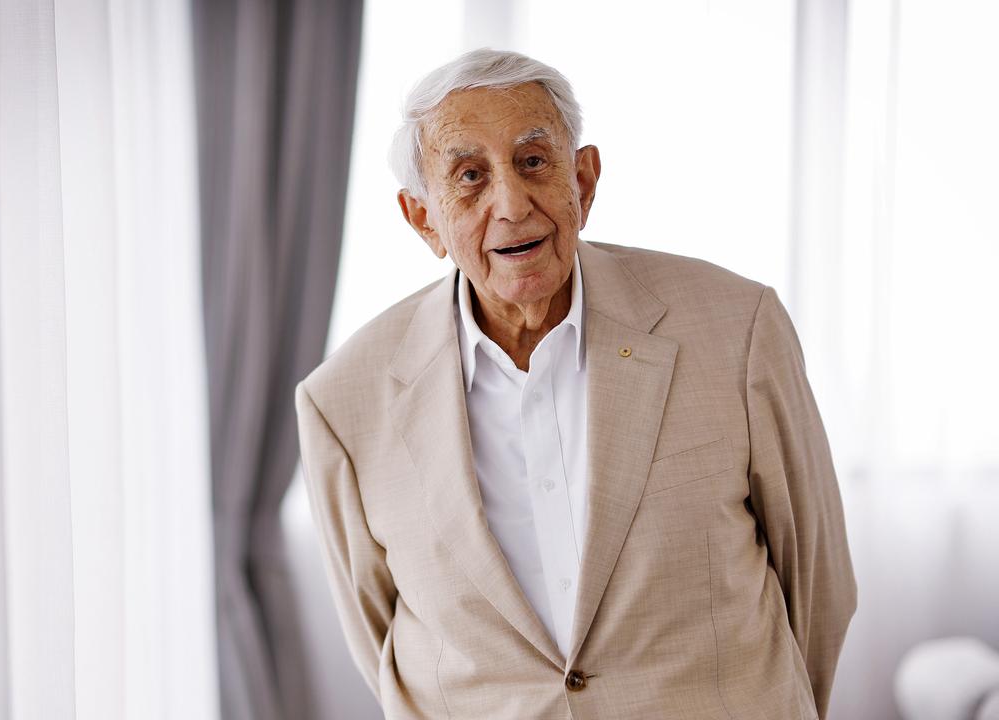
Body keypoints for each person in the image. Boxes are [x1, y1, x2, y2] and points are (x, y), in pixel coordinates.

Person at [295, 48, 857, 719]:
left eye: (534, 161)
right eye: (469, 176)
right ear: (423, 219)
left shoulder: (736, 328)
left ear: (583, 181)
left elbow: (818, 585)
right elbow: (380, 642)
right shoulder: (342, 402)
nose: (511, 203)